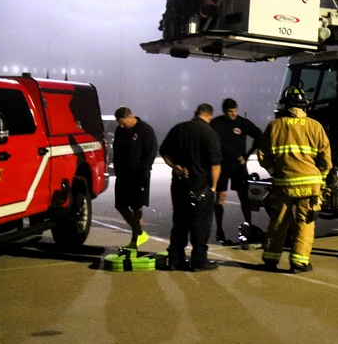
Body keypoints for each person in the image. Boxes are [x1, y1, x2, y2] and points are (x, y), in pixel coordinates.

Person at [257, 87, 332, 273]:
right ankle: (299, 262)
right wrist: (320, 181)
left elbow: (263, 156)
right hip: (310, 185)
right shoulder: (315, 126)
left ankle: (270, 259)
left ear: (286, 105)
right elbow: (326, 160)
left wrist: (275, 172)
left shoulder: (274, 126)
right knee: (305, 223)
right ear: (303, 106)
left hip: (284, 184)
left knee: (278, 221)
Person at [159, 103, 222, 272]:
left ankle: (175, 259)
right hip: (201, 186)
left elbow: (164, 152)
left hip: (180, 186)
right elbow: (215, 164)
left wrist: (175, 167)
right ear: (209, 116)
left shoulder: (178, 129)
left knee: (179, 223)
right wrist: (214, 187)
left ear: (196, 113)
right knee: (200, 225)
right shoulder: (210, 133)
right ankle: (198, 261)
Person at [210, 98, 262, 245]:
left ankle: (249, 226)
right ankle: (219, 229)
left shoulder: (242, 123)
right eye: (230, 111)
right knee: (221, 196)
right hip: (222, 166)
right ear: (224, 111)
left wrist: (248, 155)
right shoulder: (216, 123)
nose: (233, 114)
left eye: (235, 111)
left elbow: (259, 135)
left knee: (243, 196)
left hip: (239, 166)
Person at [112, 106, 158, 250]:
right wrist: (117, 168)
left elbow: (151, 152)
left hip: (139, 176)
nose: (121, 126)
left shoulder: (145, 130)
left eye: (123, 123)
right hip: (122, 175)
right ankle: (139, 232)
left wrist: (144, 170)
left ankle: (135, 239)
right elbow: (116, 150)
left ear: (131, 117)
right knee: (120, 205)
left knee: (137, 206)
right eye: (119, 123)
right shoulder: (120, 131)